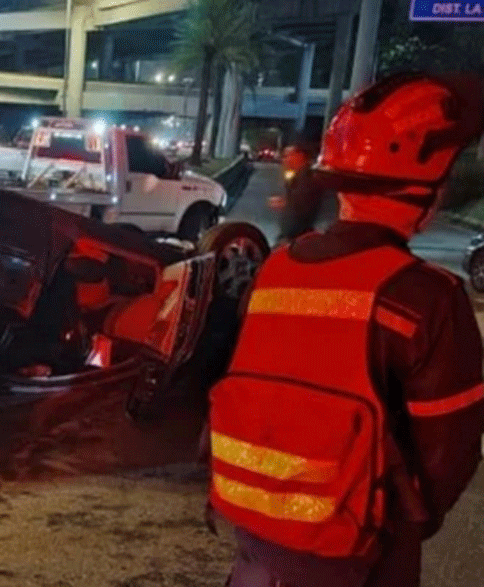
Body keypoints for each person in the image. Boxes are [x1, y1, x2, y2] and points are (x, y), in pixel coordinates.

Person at [207, 73, 484, 587]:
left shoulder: (277, 268)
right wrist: (399, 524)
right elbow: (450, 452)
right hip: (358, 555)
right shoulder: (426, 296)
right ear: (429, 190)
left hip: (254, 542)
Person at [274, 143, 327, 245]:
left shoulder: (307, 178)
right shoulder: (298, 176)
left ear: (300, 156)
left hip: (297, 237)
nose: (285, 160)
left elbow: (303, 207)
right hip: (293, 235)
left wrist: (285, 203)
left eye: (288, 155)